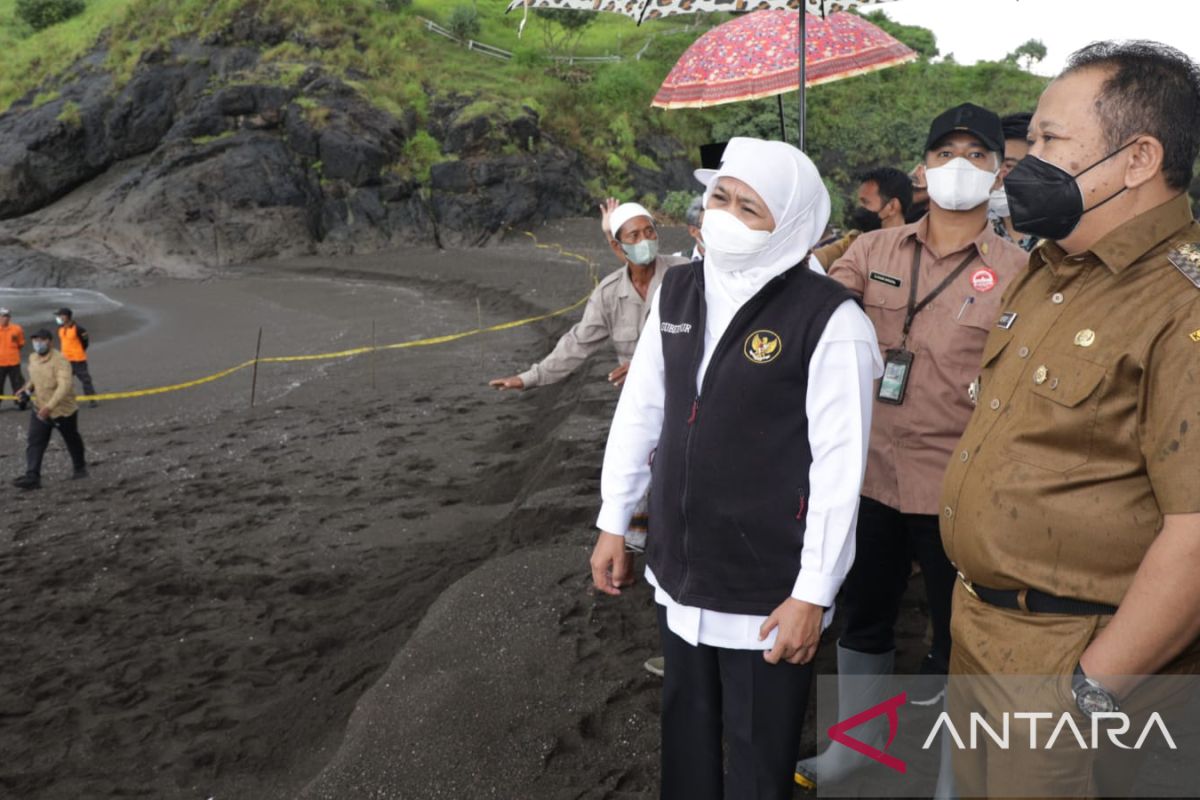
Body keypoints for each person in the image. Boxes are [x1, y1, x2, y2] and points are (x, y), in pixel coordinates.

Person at [941, 41, 1200, 797]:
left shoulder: (1183, 306)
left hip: (1074, 663)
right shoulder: (1049, 270)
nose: (1023, 165)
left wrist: (1090, 692)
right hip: (981, 633)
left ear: (1138, 157)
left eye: (1052, 142)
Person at [590, 137, 881, 799]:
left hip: (767, 593)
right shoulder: (680, 289)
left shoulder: (830, 320)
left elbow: (841, 470)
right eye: (719, 196)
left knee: (757, 756)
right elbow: (642, 410)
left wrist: (814, 592)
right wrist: (614, 520)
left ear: (795, 226)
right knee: (685, 739)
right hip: (680, 568)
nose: (724, 213)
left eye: (750, 208)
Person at [796, 103, 1028, 790]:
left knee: (962, 638)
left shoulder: (1022, 271)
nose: (961, 165)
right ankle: (856, 746)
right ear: (924, 168)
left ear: (998, 173)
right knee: (863, 616)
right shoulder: (872, 251)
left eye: (978, 154)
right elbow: (813, 321)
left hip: (962, 488)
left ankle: (956, 776)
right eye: (946, 151)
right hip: (868, 478)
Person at [489, 203, 689, 392]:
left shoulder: (686, 273)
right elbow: (578, 343)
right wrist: (528, 378)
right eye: (634, 236)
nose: (645, 240)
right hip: (639, 396)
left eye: (649, 231)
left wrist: (646, 367)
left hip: (686, 387)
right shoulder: (608, 294)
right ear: (617, 246)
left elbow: (702, 336)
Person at [12, 329, 87, 490]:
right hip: (40, 408)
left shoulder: (60, 361)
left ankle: (80, 468)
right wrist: (26, 390)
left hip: (62, 410)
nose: (38, 343)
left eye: (41, 340)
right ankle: (32, 476)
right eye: (35, 340)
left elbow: (64, 386)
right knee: (35, 442)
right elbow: (34, 378)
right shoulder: (33, 358)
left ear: (50, 342)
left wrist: (50, 406)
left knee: (71, 439)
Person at [814, 167, 913, 270]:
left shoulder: (914, 250)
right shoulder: (854, 240)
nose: (859, 207)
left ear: (892, 206)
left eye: (866, 202)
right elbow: (821, 257)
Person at [989, 111, 1039, 251]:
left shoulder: (1065, 237)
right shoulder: (975, 230)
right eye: (995, 166)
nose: (1000, 175)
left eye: (1010, 166)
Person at [55, 307, 97, 408]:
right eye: (59, 316)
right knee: (64, 381)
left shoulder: (78, 328)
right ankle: (66, 400)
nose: (59, 318)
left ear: (67, 316)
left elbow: (85, 342)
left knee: (85, 380)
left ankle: (92, 399)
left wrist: (78, 351)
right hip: (65, 360)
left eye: (61, 315)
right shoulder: (60, 329)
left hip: (78, 359)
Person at [0, 308, 25, 409]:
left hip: (14, 362)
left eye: (6, 316)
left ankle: (20, 402)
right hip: (0, 363)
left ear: (9, 317)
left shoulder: (17, 329)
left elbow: (21, 343)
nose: (4, 318)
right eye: (2, 316)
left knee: (18, 384)